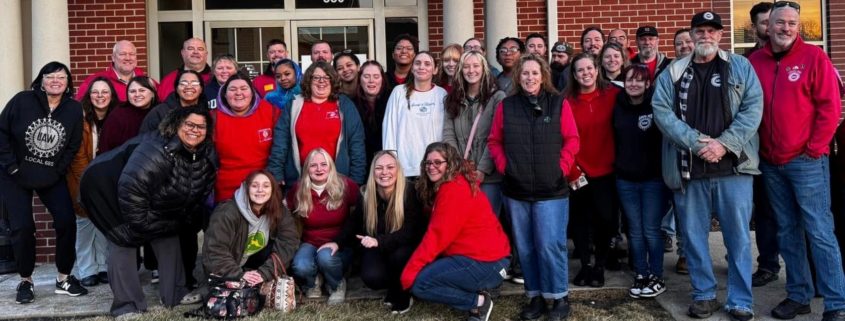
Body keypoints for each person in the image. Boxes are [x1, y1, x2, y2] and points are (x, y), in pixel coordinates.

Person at [652, 11, 762, 320]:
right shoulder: (673, 73)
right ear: (691, 35)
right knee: (693, 237)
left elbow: (753, 108)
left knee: (738, 238)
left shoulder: (740, 67)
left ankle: (740, 300)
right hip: (690, 169)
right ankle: (704, 295)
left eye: (712, 31)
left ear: (720, 35)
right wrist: (697, 143)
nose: (706, 36)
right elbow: (661, 112)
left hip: (733, 168)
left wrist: (723, 144)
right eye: (700, 31)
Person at [749, 3, 845, 320]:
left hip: (806, 162)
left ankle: (836, 303)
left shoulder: (814, 58)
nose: (786, 28)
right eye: (780, 23)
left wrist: (815, 148)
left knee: (819, 231)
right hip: (772, 163)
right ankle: (799, 295)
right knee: (787, 232)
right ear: (767, 26)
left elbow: (830, 108)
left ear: (798, 27)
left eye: (792, 23)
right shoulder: (756, 61)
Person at [80, 107, 217, 318]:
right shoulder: (157, 149)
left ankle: (176, 294)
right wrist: (142, 226)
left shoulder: (205, 153)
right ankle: (127, 305)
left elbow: (197, 190)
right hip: (104, 186)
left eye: (201, 126)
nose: (195, 130)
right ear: (176, 125)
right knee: (125, 239)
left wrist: (177, 220)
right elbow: (132, 188)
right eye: (189, 125)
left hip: (147, 193)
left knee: (168, 235)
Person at [488, 54, 580, 321]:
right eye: (525, 73)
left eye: (534, 73)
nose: (529, 78)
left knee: (550, 244)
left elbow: (572, 140)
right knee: (526, 247)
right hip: (516, 190)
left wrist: (560, 168)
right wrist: (506, 167)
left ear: (543, 76)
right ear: (518, 76)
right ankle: (535, 296)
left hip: (551, 190)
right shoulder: (507, 106)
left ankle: (559, 297)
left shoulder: (558, 104)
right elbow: (494, 141)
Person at [0, 61, 86, 304]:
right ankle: (26, 280)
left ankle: (64, 277)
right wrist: (12, 166)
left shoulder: (72, 109)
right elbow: (2, 132)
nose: (56, 81)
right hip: (14, 174)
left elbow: (72, 144)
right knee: (23, 227)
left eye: (61, 77)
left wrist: (57, 170)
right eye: (50, 77)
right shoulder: (22, 100)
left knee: (67, 221)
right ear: (41, 81)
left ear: (68, 83)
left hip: (50, 174)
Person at [401, 142, 511, 321]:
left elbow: (436, 237)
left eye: (438, 162)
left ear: (450, 163)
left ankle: (478, 302)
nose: (431, 167)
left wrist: (409, 273)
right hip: (483, 258)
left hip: (487, 263)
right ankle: (479, 288)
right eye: (428, 163)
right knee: (429, 270)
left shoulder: (454, 189)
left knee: (421, 284)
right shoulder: (451, 184)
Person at [335, 151, 427, 314]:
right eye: (379, 168)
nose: (385, 172)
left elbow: (412, 230)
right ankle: (394, 285)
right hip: (379, 246)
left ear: (398, 170)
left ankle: (404, 293)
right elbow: (354, 221)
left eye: (390, 167)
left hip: (404, 247)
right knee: (372, 277)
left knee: (399, 256)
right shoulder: (366, 194)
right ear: (373, 172)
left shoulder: (410, 192)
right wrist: (337, 242)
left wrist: (380, 241)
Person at [564, 53, 621, 289]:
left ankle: (600, 265)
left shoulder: (615, 95)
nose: (585, 73)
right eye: (580, 70)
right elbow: (562, 137)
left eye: (589, 68)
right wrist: (571, 169)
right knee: (579, 220)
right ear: (574, 75)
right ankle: (585, 265)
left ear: (597, 70)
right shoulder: (566, 101)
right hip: (577, 170)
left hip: (607, 170)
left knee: (606, 220)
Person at [612, 64, 669, 299]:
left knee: (651, 230)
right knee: (634, 231)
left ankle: (657, 276)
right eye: (629, 80)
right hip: (625, 180)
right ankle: (641, 274)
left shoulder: (656, 106)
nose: (633, 84)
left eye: (639, 80)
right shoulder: (617, 107)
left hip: (653, 181)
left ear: (648, 84)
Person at [268, 61, 366, 186]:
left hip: (338, 181)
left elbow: (357, 144)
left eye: (327, 77)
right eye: (316, 77)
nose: (322, 81)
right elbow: (280, 142)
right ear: (309, 80)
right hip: (300, 180)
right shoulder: (294, 105)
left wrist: (356, 180)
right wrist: (276, 173)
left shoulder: (344, 104)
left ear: (333, 81)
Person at [203, 170, 299, 289]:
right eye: (254, 186)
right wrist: (238, 274)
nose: (260, 190)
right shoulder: (227, 212)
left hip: (256, 265)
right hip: (231, 268)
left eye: (266, 186)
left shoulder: (278, 210)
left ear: (272, 189)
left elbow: (288, 242)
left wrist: (264, 273)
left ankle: (259, 282)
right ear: (246, 188)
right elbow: (215, 250)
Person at [286, 148, 359, 305]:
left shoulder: (346, 185)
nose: (319, 169)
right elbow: (284, 211)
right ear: (307, 169)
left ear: (331, 167)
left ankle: (337, 284)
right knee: (300, 265)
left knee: (325, 257)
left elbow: (359, 215)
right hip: (310, 241)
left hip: (340, 242)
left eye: (323, 164)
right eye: (313, 165)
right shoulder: (298, 189)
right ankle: (313, 282)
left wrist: (342, 241)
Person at [743, 1, 780, 289]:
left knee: (800, 216)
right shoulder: (747, 61)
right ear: (755, 27)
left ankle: (809, 271)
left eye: (773, 21)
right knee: (765, 212)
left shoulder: (806, 55)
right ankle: (768, 264)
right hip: (759, 149)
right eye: (764, 22)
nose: (771, 27)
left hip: (797, 153)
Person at [442, 50, 506, 215]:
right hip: (461, 173)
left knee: (487, 223)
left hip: (490, 177)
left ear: (484, 68)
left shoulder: (497, 98)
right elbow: (448, 134)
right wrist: (460, 165)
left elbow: (497, 136)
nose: (471, 70)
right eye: (466, 66)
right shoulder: (452, 99)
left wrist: (482, 170)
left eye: (476, 66)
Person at [67, 77, 118, 287]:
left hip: (108, 179)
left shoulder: (116, 117)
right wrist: (88, 182)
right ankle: (87, 269)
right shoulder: (81, 120)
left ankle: (104, 267)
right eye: (95, 92)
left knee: (104, 223)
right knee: (85, 224)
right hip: (82, 178)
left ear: (111, 95)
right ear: (89, 96)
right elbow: (78, 157)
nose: (100, 96)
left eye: (104, 92)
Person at [213, 73, 280, 203]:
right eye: (232, 89)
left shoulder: (270, 112)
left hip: (263, 189)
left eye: (244, 89)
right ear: (225, 95)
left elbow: (282, 148)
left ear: (253, 92)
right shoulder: (214, 118)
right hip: (227, 191)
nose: (239, 93)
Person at [382, 51, 448, 180]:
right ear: (412, 68)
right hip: (406, 168)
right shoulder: (398, 92)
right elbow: (389, 129)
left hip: (435, 168)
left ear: (435, 70)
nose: (422, 67)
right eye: (417, 63)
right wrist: (391, 162)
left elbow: (447, 131)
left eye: (427, 64)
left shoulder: (442, 94)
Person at [97, 76, 158, 154]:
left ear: (153, 93)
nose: (137, 94)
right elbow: (105, 146)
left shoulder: (160, 112)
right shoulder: (118, 115)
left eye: (142, 90)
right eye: (132, 91)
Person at [76, 40, 147, 103]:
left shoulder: (147, 83)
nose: (128, 58)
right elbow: (79, 109)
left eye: (131, 54)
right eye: (122, 54)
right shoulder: (94, 81)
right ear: (113, 57)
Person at [140, 70, 207, 133]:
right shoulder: (160, 112)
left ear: (201, 89)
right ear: (177, 89)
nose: (189, 86)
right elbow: (144, 140)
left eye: (194, 83)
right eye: (183, 83)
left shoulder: (206, 111)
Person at [353, 60, 390, 171]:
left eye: (376, 76)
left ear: (382, 79)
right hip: (362, 164)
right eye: (366, 76)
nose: (371, 81)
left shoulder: (392, 101)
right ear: (360, 79)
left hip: (387, 164)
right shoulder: (352, 104)